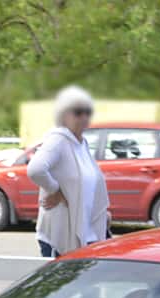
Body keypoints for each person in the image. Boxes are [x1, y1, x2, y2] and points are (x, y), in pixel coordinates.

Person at [25, 85, 109, 258]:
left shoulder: (81, 144)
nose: (84, 117)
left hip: (88, 234)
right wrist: (54, 190)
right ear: (63, 115)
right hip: (61, 235)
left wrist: (101, 212)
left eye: (87, 112)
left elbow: (88, 184)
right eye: (78, 112)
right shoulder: (58, 140)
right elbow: (35, 169)